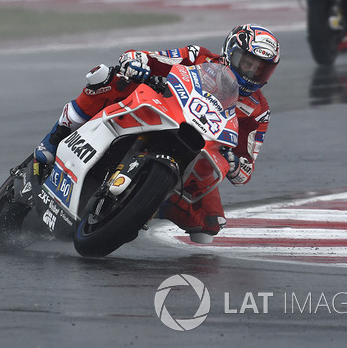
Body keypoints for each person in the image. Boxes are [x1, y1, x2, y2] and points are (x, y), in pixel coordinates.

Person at [33, 24, 281, 243]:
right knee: (111, 77)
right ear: (230, 53)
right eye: (246, 63)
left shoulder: (259, 111)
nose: (251, 73)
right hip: (160, 111)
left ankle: (148, 204)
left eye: (261, 69)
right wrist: (136, 62)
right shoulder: (199, 57)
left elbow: (245, 169)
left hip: (194, 148)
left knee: (209, 225)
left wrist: (236, 164)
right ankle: (57, 136)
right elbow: (150, 58)